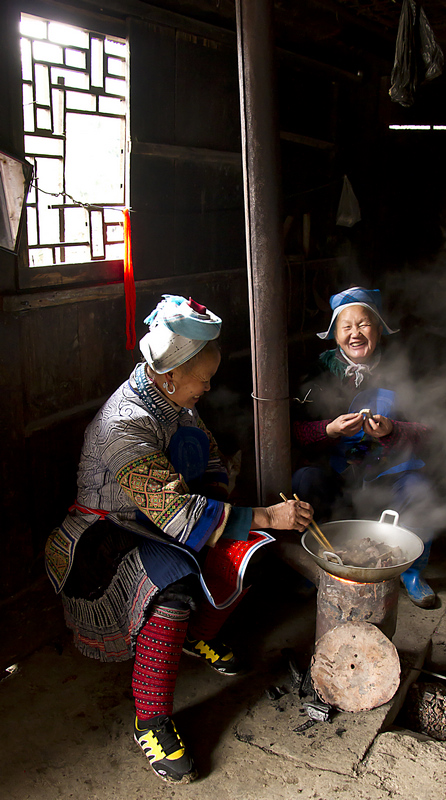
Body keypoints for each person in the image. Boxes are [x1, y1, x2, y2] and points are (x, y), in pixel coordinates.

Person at [45, 294, 313, 785]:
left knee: (249, 550)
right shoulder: (124, 423)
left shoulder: (175, 404)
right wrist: (267, 514)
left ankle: (197, 637)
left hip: (163, 523)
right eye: (203, 379)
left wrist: (237, 515)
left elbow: (209, 463)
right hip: (106, 535)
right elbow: (174, 514)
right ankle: (151, 721)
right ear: (170, 375)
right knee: (172, 589)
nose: (208, 389)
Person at [291, 286, 436, 609]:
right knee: (305, 480)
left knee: (420, 489)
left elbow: (429, 431)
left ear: (379, 328)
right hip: (338, 474)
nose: (355, 333)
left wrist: (392, 430)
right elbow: (295, 433)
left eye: (364, 324)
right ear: (335, 334)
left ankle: (411, 572)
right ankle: (313, 566)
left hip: (388, 472)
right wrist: (328, 429)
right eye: (346, 327)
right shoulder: (317, 372)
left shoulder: (403, 370)